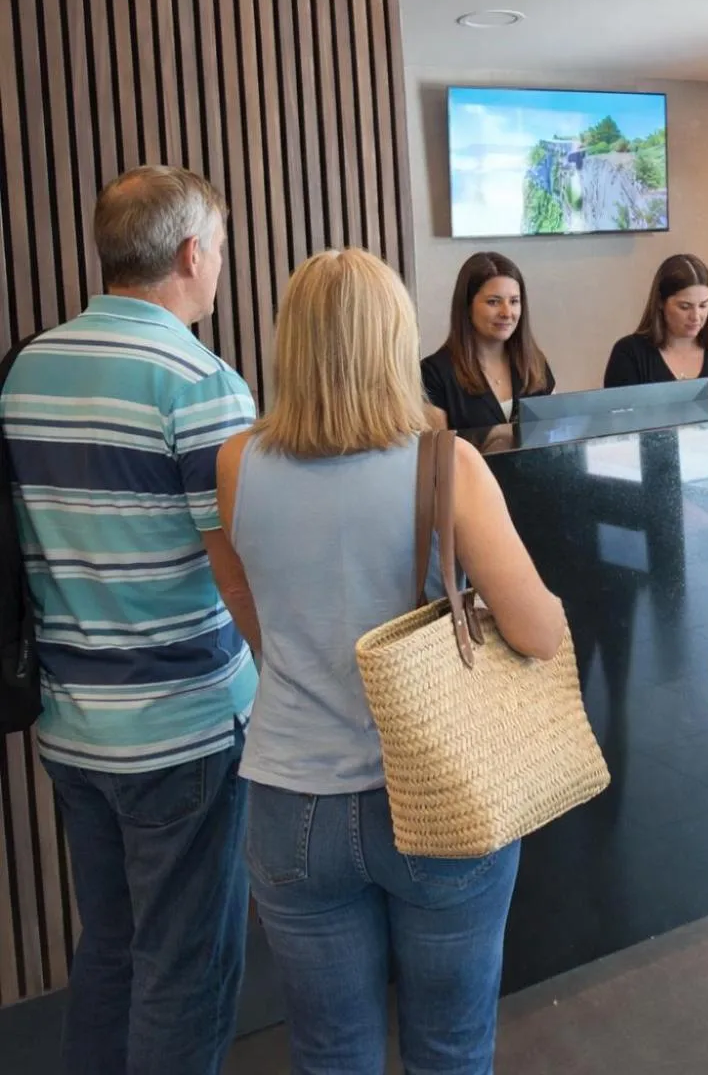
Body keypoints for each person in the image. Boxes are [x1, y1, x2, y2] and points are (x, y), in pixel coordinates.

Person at [207, 248, 565, 1075]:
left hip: (290, 798)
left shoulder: (236, 464)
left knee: (331, 1053)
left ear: (289, 343)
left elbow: (253, 615)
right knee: (449, 1048)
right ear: (394, 341)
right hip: (437, 790)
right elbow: (538, 633)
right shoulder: (446, 464)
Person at [0, 167, 257, 1075]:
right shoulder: (201, 383)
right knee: (185, 968)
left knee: (107, 953)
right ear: (192, 254)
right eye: (219, 248)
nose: (220, 265)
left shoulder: (28, 366)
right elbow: (243, 576)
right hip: (183, 730)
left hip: (72, 730)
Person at [421, 251, 555, 429]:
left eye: (514, 301)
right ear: (467, 306)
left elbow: (555, 436)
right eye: (493, 302)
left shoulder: (535, 362)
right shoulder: (433, 374)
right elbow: (439, 453)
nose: (507, 313)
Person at [603, 253, 708, 395]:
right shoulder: (629, 353)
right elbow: (619, 417)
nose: (696, 317)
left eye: (703, 306)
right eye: (685, 307)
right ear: (661, 303)